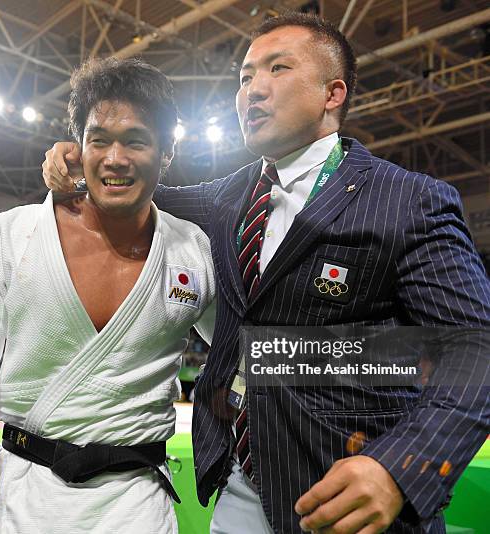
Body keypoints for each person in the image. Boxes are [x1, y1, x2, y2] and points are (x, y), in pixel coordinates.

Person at [43, 11, 490, 534]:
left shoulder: (408, 201)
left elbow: (474, 346)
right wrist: (82, 164)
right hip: (240, 487)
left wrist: (400, 468)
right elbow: (134, 190)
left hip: (351, 493)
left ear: (333, 93)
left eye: (277, 69)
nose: (252, 90)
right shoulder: (225, 199)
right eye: (245, 76)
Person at [0, 58, 215, 534]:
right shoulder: (10, 234)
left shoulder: (192, 248)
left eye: (136, 140)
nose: (115, 157)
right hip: (25, 497)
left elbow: (241, 352)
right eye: (99, 139)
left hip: (138, 507)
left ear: (166, 152)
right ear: (76, 147)